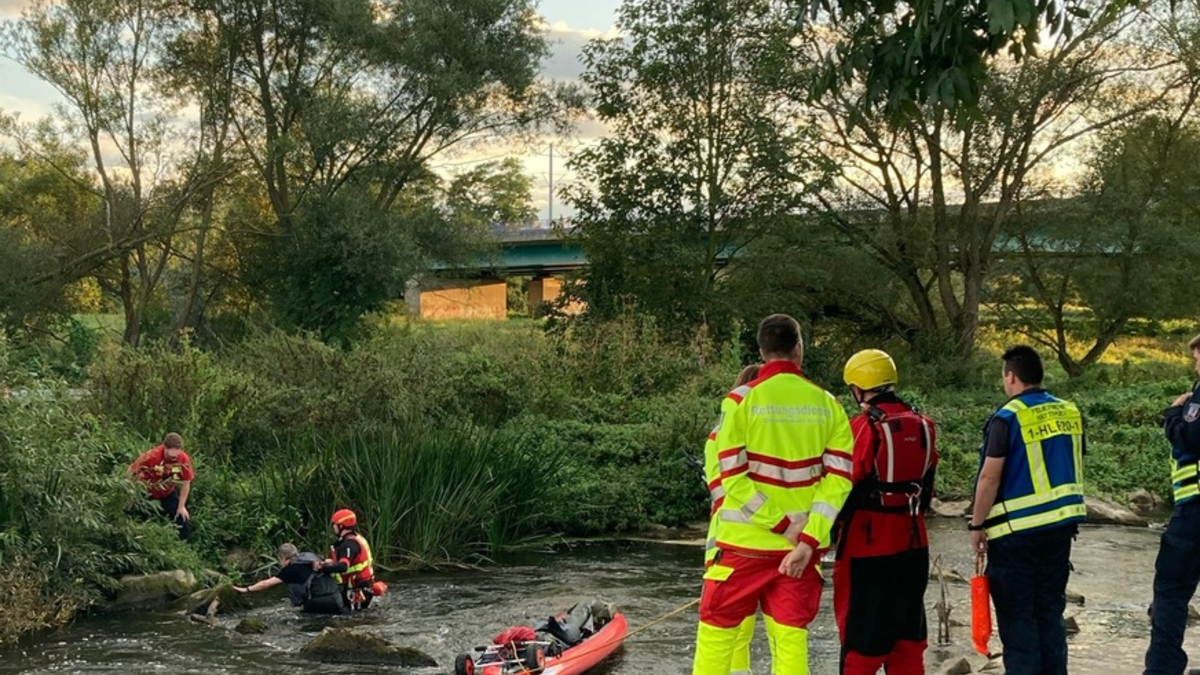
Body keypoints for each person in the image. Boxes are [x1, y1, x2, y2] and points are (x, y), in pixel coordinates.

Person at [694, 314, 855, 675]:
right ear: (799, 348)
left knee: (717, 639)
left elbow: (732, 479)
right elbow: (839, 481)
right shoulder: (828, 404)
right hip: (798, 552)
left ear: (761, 351)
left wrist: (782, 525)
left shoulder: (738, 401)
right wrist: (807, 538)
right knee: (791, 641)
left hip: (743, 546)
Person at [970, 345, 1085, 675]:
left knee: (1019, 624)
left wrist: (976, 525)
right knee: (1049, 616)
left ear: (1011, 376)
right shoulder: (1069, 411)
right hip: (1060, 530)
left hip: (1015, 535)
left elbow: (990, 477)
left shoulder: (1006, 417)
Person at [834, 349, 938, 675]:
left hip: (868, 542)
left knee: (860, 639)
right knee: (908, 637)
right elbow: (928, 487)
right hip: (914, 540)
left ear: (857, 387)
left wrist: (823, 532)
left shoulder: (864, 427)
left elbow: (842, 485)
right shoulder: (923, 424)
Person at [1144, 334, 1200, 675]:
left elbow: (1192, 438)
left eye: (1198, 359)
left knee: (1170, 593)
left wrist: (1175, 413)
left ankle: (1162, 670)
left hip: (1194, 512)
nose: (1196, 365)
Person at [703, 363, 762, 675]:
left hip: (746, 542)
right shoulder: (721, 439)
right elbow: (724, 493)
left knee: (741, 632)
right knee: (736, 632)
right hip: (731, 544)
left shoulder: (723, 437)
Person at [232, 542, 345, 614]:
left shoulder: (290, 569)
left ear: (283, 558)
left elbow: (266, 584)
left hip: (319, 604)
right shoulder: (312, 558)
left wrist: (246, 589)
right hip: (337, 599)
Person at [315, 509, 386, 610]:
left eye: (334, 524)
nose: (333, 527)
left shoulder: (348, 544)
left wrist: (323, 567)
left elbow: (343, 566)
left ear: (341, 525)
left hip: (356, 592)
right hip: (363, 587)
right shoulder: (357, 539)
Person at [128, 432, 194, 540]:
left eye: (176, 455)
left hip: (167, 493)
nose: (174, 458)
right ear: (165, 448)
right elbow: (131, 471)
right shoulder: (151, 456)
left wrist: (181, 506)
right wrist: (130, 493)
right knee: (133, 515)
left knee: (182, 518)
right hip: (147, 492)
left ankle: (184, 546)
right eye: (171, 455)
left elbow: (186, 483)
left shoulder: (183, 459)